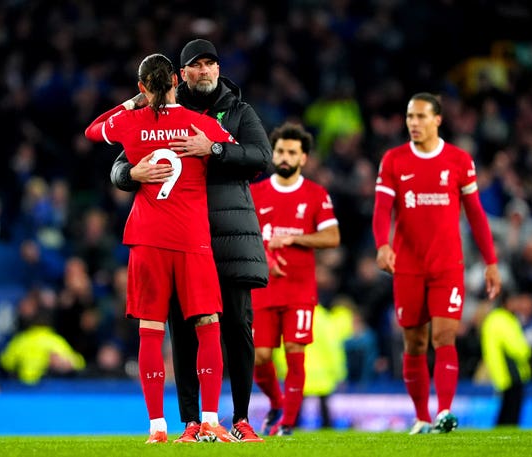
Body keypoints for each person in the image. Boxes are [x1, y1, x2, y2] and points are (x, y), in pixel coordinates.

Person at [110, 38, 271, 443]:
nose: (204, 71)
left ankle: (240, 417)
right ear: (181, 76)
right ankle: (192, 421)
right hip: (178, 234)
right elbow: (119, 167)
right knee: (183, 330)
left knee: (236, 325)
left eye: (210, 64)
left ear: (218, 70)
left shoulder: (238, 111)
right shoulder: (155, 115)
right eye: (195, 66)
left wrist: (213, 148)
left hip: (228, 235)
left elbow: (261, 158)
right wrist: (132, 176)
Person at [84, 53, 237, 444]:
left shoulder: (130, 122)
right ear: (175, 79)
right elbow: (237, 152)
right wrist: (211, 147)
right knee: (207, 326)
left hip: (147, 238)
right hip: (191, 238)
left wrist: (132, 105)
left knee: (150, 331)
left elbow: (92, 130)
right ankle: (209, 419)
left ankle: (156, 428)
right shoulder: (198, 123)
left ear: (141, 87)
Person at [372, 92, 502, 434]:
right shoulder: (394, 160)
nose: (413, 123)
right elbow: (382, 209)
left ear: (438, 120)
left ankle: (444, 412)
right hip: (408, 267)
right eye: (410, 117)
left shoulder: (459, 161)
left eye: (420, 117)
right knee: (414, 342)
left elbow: (476, 215)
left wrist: (491, 262)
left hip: (447, 265)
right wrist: (383, 245)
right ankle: (422, 417)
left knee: (445, 336)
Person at [250, 122, 340, 436]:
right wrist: (266, 256)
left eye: (292, 152)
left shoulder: (316, 195)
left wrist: (295, 239)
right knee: (260, 356)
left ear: (303, 158)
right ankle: (276, 402)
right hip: (263, 287)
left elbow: (332, 237)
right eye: (280, 151)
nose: (285, 157)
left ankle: (287, 423)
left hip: (300, 288)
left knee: (295, 352)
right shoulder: (255, 192)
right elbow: (245, 236)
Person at [480, 293, 532, 426]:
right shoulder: (502, 319)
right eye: (513, 301)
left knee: (507, 407)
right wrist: (526, 351)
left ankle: (501, 434)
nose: (516, 305)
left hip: (501, 372)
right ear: (506, 303)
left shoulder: (494, 319)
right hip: (510, 370)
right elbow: (514, 346)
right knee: (511, 408)